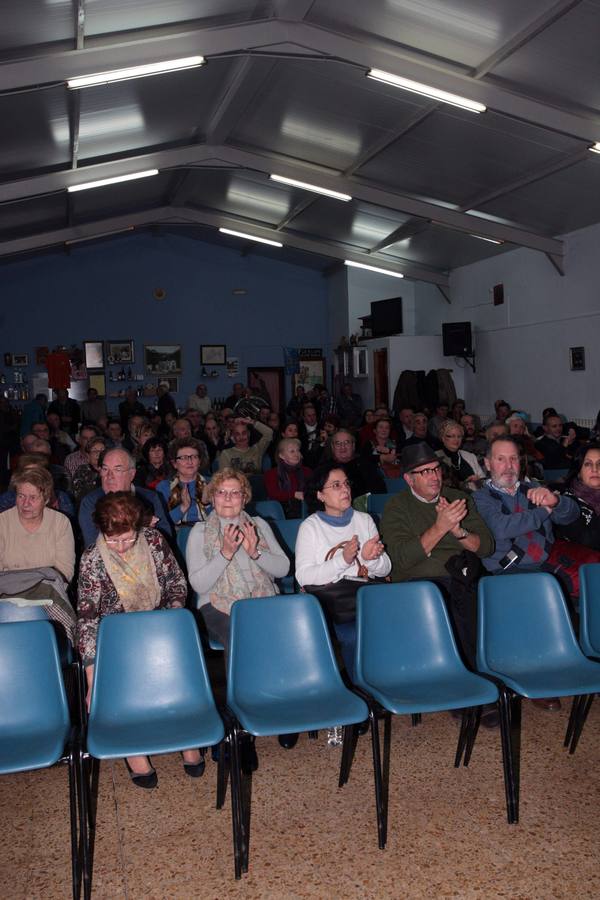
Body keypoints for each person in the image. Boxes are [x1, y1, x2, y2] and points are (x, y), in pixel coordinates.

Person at [77, 492, 200, 788]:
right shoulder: (92, 558)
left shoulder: (154, 541)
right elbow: (87, 618)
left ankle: (187, 735)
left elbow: (176, 583)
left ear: (138, 528)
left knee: (180, 665)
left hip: (159, 628)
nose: (120, 547)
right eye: (112, 540)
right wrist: (92, 675)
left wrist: (170, 616)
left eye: (127, 539)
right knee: (118, 682)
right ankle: (134, 751)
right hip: (118, 637)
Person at [473, 436, 579, 710]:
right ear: (487, 464)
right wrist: (544, 511)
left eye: (513, 458)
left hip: (541, 569)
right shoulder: (480, 497)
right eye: (500, 459)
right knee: (535, 595)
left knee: (572, 590)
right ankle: (528, 679)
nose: (508, 466)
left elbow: (571, 516)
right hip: (503, 572)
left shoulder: (534, 489)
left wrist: (556, 500)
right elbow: (502, 529)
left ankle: (550, 672)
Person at [381, 442, 494, 672]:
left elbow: (486, 547)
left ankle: (479, 678)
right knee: (449, 606)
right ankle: (464, 684)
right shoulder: (397, 506)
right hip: (419, 583)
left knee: (482, 600)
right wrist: (440, 527)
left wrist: (458, 531)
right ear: (409, 479)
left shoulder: (458, 498)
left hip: (460, 577)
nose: (434, 476)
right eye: (424, 472)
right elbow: (400, 559)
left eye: (436, 469)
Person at [295, 462, 391, 679]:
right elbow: (303, 576)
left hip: (365, 599)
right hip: (332, 604)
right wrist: (343, 560)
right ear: (320, 495)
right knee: (354, 634)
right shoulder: (310, 527)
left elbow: (386, 567)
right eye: (336, 485)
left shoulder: (364, 520)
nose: (345, 489)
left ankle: (383, 682)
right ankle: (361, 687)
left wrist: (370, 559)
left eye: (346, 484)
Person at [187, 468, 289, 657]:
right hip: (217, 603)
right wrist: (225, 554)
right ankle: (245, 687)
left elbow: (283, 569)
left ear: (244, 499)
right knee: (241, 634)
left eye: (235, 493)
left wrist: (255, 553)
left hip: (262, 598)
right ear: (213, 498)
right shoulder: (199, 532)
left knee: (291, 629)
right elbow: (199, 585)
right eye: (221, 492)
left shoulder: (258, 525)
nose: (227, 498)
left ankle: (284, 684)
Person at [79, 448, 173, 547]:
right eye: (105, 469)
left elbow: (166, 540)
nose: (109, 476)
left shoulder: (150, 498)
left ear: (132, 474)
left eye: (117, 470)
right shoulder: (90, 502)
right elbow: (93, 546)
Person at [0, 467, 75, 583]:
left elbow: (65, 571)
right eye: (21, 496)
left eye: (33, 497)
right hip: (7, 591)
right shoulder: (3, 522)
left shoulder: (60, 523)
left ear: (46, 500)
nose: (25, 504)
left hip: (48, 592)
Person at [555, 444, 600, 550]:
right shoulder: (567, 503)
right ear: (579, 472)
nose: (595, 469)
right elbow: (587, 542)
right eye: (588, 464)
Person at [157, 438, 209, 527]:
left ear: (199, 461)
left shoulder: (211, 483)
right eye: (183, 458)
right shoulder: (164, 487)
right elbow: (161, 523)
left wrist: (208, 502)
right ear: (174, 464)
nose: (190, 462)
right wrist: (183, 507)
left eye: (194, 457)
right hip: (177, 535)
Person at [327, 429, 386, 500]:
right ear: (332, 447)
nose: (342, 447)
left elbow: (379, 494)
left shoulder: (367, 467)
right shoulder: (324, 469)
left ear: (353, 446)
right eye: (338, 443)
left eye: (347, 442)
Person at [264, 438, 312, 518]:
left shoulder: (307, 471)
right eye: (292, 451)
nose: (296, 454)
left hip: (306, 512)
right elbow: (273, 494)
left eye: (298, 450)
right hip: (281, 513)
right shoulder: (271, 474)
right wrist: (294, 494)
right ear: (281, 455)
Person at [435, 419, 485, 490]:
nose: (456, 440)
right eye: (452, 436)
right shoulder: (436, 458)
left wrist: (477, 481)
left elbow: (483, 480)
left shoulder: (470, 456)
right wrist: (466, 484)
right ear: (443, 438)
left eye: (459, 436)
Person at [72, 436, 108, 506]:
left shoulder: (111, 470)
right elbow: (79, 497)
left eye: (102, 450)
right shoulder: (82, 471)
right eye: (94, 451)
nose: (99, 454)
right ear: (88, 456)